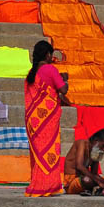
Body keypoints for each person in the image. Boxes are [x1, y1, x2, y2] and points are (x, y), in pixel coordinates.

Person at [24, 40, 68, 197]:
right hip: (47, 120)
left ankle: (37, 183)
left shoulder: (32, 72)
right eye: (51, 54)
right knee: (49, 151)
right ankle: (48, 185)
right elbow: (62, 89)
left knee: (38, 153)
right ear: (47, 54)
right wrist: (65, 80)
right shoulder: (50, 69)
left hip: (33, 121)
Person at [62, 128, 104, 194]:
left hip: (85, 178)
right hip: (71, 181)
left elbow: (94, 173)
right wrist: (98, 181)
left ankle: (99, 189)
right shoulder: (81, 143)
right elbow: (79, 166)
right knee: (87, 180)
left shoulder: (96, 151)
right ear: (96, 141)